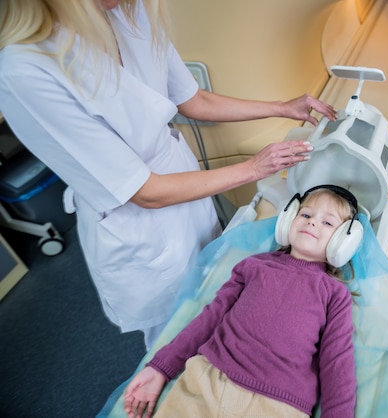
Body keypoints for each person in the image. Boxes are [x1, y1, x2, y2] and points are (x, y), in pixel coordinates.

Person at [0, 0, 337, 349]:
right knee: (174, 338)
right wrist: (254, 168)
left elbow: (195, 101)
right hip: (137, 218)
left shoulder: (131, 10)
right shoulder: (25, 69)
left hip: (184, 183)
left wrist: (282, 107)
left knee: (219, 293)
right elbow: (145, 192)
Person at [122, 186, 360, 418]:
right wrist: (161, 367)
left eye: (328, 222)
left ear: (343, 242)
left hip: (278, 404)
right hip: (206, 379)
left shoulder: (334, 293)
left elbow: (337, 361)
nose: (312, 222)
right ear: (288, 219)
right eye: (306, 214)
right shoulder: (254, 266)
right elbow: (210, 317)